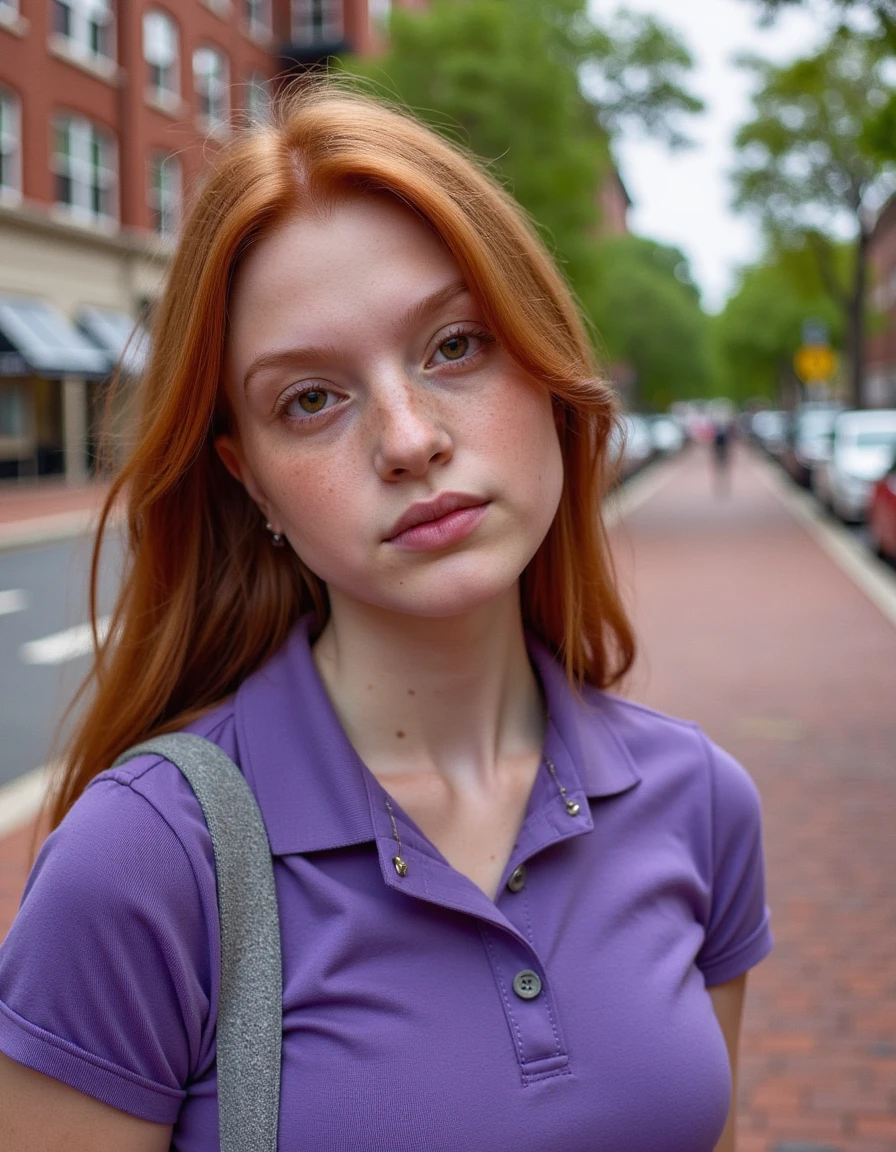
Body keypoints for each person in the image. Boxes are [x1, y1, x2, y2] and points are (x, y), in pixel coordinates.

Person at [0, 84, 772, 1152]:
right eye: (309, 400)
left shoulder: (698, 802)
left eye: (454, 345)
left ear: (545, 366)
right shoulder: (144, 862)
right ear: (250, 482)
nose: (407, 439)